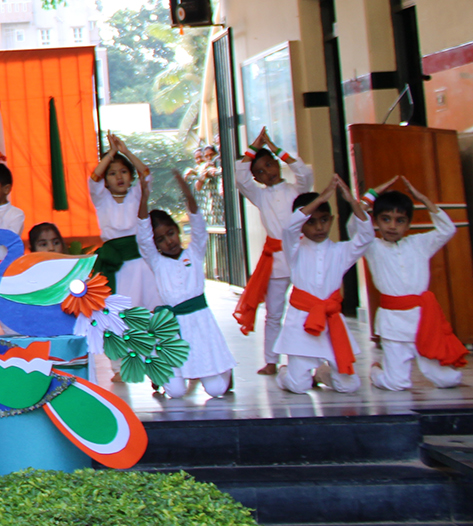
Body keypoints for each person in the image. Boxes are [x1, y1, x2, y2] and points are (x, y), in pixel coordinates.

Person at [134, 170, 235, 400]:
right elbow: (143, 235)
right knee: (176, 392)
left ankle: (223, 368)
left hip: (200, 324)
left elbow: (198, 224)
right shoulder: (156, 261)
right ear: (155, 244)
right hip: (172, 329)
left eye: (171, 233)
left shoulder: (195, 252)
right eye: (160, 239)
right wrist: (144, 197)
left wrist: (188, 193)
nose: (169, 241)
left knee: (216, 390)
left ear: (178, 230)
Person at [363, 179, 466, 391]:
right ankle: (376, 372)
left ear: (408, 224)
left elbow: (447, 230)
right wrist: (372, 194)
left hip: (423, 323)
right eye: (386, 219)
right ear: (375, 221)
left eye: (400, 220)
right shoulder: (371, 246)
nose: (392, 226)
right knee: (397, 383)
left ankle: (424, 368)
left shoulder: (419, 243)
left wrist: (424, 200)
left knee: (449, 380)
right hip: (393, 325)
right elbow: (352, 224)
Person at [276, 177, 374, 395]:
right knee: (299, 386)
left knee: (349, 385)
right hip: (302, 322)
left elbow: (366, 236)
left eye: (324, 220)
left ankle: (322, 374)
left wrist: (353, 202)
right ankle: (285, 374)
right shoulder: (294, 249)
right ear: (302, 224)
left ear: (331, 220)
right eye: (311, 222)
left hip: (331, 322)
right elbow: (289, 228)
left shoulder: (341, 252)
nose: (319, 227)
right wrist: (320, 198)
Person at [232, 129, 314, 375]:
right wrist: (254, 148)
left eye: (269, 165)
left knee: (307, 307)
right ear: (256, 178)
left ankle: (311, 359)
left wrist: (277, 149)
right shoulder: (259, 195)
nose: (267, 172)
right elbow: (240, 178)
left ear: (277, 163)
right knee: (274, 312)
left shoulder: (297, 190)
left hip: (302, 256)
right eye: (260, 172)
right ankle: (271, 360)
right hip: (277, 260)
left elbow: (304, 172)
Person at [90, 136, 161, 311]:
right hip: (115, 264)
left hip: (140, 260)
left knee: (148, 309)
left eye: (123, 171)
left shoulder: (137, 195)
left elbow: (146, 174)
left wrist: (126, 152)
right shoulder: (101, 199)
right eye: (112, 174)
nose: (119, 177)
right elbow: (94, 178)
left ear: (130, 176)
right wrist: (111, 153)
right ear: (106, 181)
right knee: (120, 311)